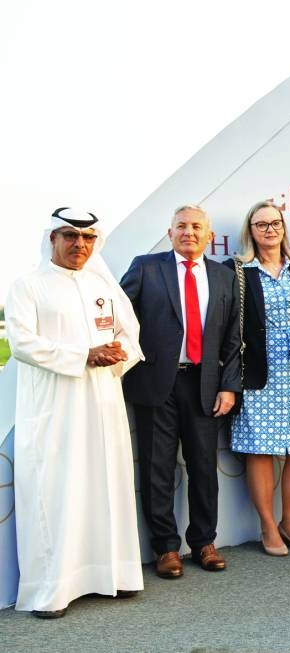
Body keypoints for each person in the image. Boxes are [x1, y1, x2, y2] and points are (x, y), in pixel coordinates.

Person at [5, 208, 144, 618]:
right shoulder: (28, 286)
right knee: (56, 489)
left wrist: (115, 354)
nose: (78, 245)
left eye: (86, 238)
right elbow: (22, 344)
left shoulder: (104, 285)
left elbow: (129, 335)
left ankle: (114, 576)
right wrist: (84, 355)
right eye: (69, 236)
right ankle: (52, 590)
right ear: (52, 239)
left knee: (106, 485)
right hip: (55, 408)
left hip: (103, 405)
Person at [121, 204, 241, 578]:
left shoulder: (224, 276)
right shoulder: (146, 267)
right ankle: (166, 549)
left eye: (197, 227)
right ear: (169, 232)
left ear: (209, 236)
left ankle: (204, 542)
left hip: (204, 385)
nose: (189, 232)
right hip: (156, 382)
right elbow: (119, 318)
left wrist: (229, 386)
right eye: (182, 226)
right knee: (157, 468)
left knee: (204, 467)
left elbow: (233, 338)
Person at [224, 200, 290, 556]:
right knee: (261, 452)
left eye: (275, 223)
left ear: (284, 228)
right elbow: (230, 327)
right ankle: (268, 527)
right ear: (250, 231)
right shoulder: (237, 270)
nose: (269, 230)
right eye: (261, 224)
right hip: (257, 374)